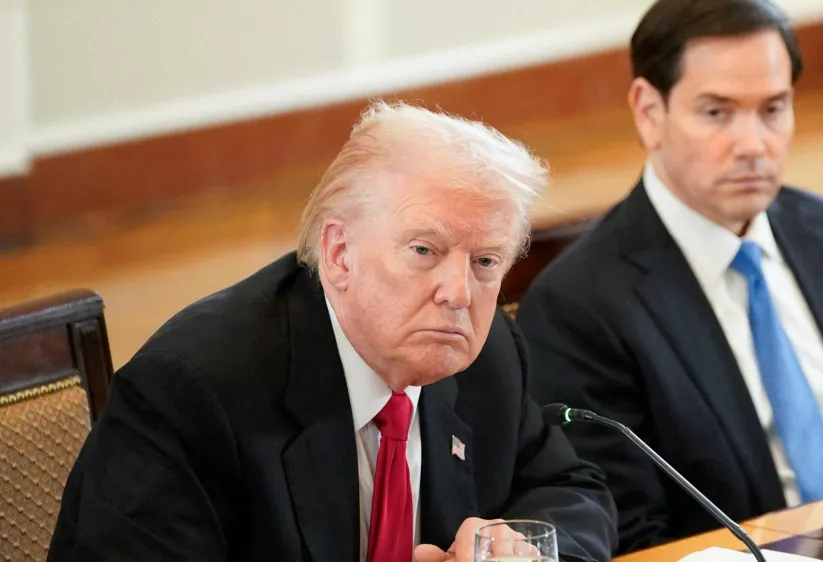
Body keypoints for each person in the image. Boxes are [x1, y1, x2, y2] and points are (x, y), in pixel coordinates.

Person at [48, 101, 618, 562]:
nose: (459, 293)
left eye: (486, 262)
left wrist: (519, 554)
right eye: (425, 251)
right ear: (339, 253)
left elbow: (575, 494)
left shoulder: (485, 356)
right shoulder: (191, 393)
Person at [516, 0, 823, 554]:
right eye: (717, 113)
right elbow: (633, 536)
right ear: (649, 111)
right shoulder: (579, 304)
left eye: (773, 109)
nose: (753, 144)